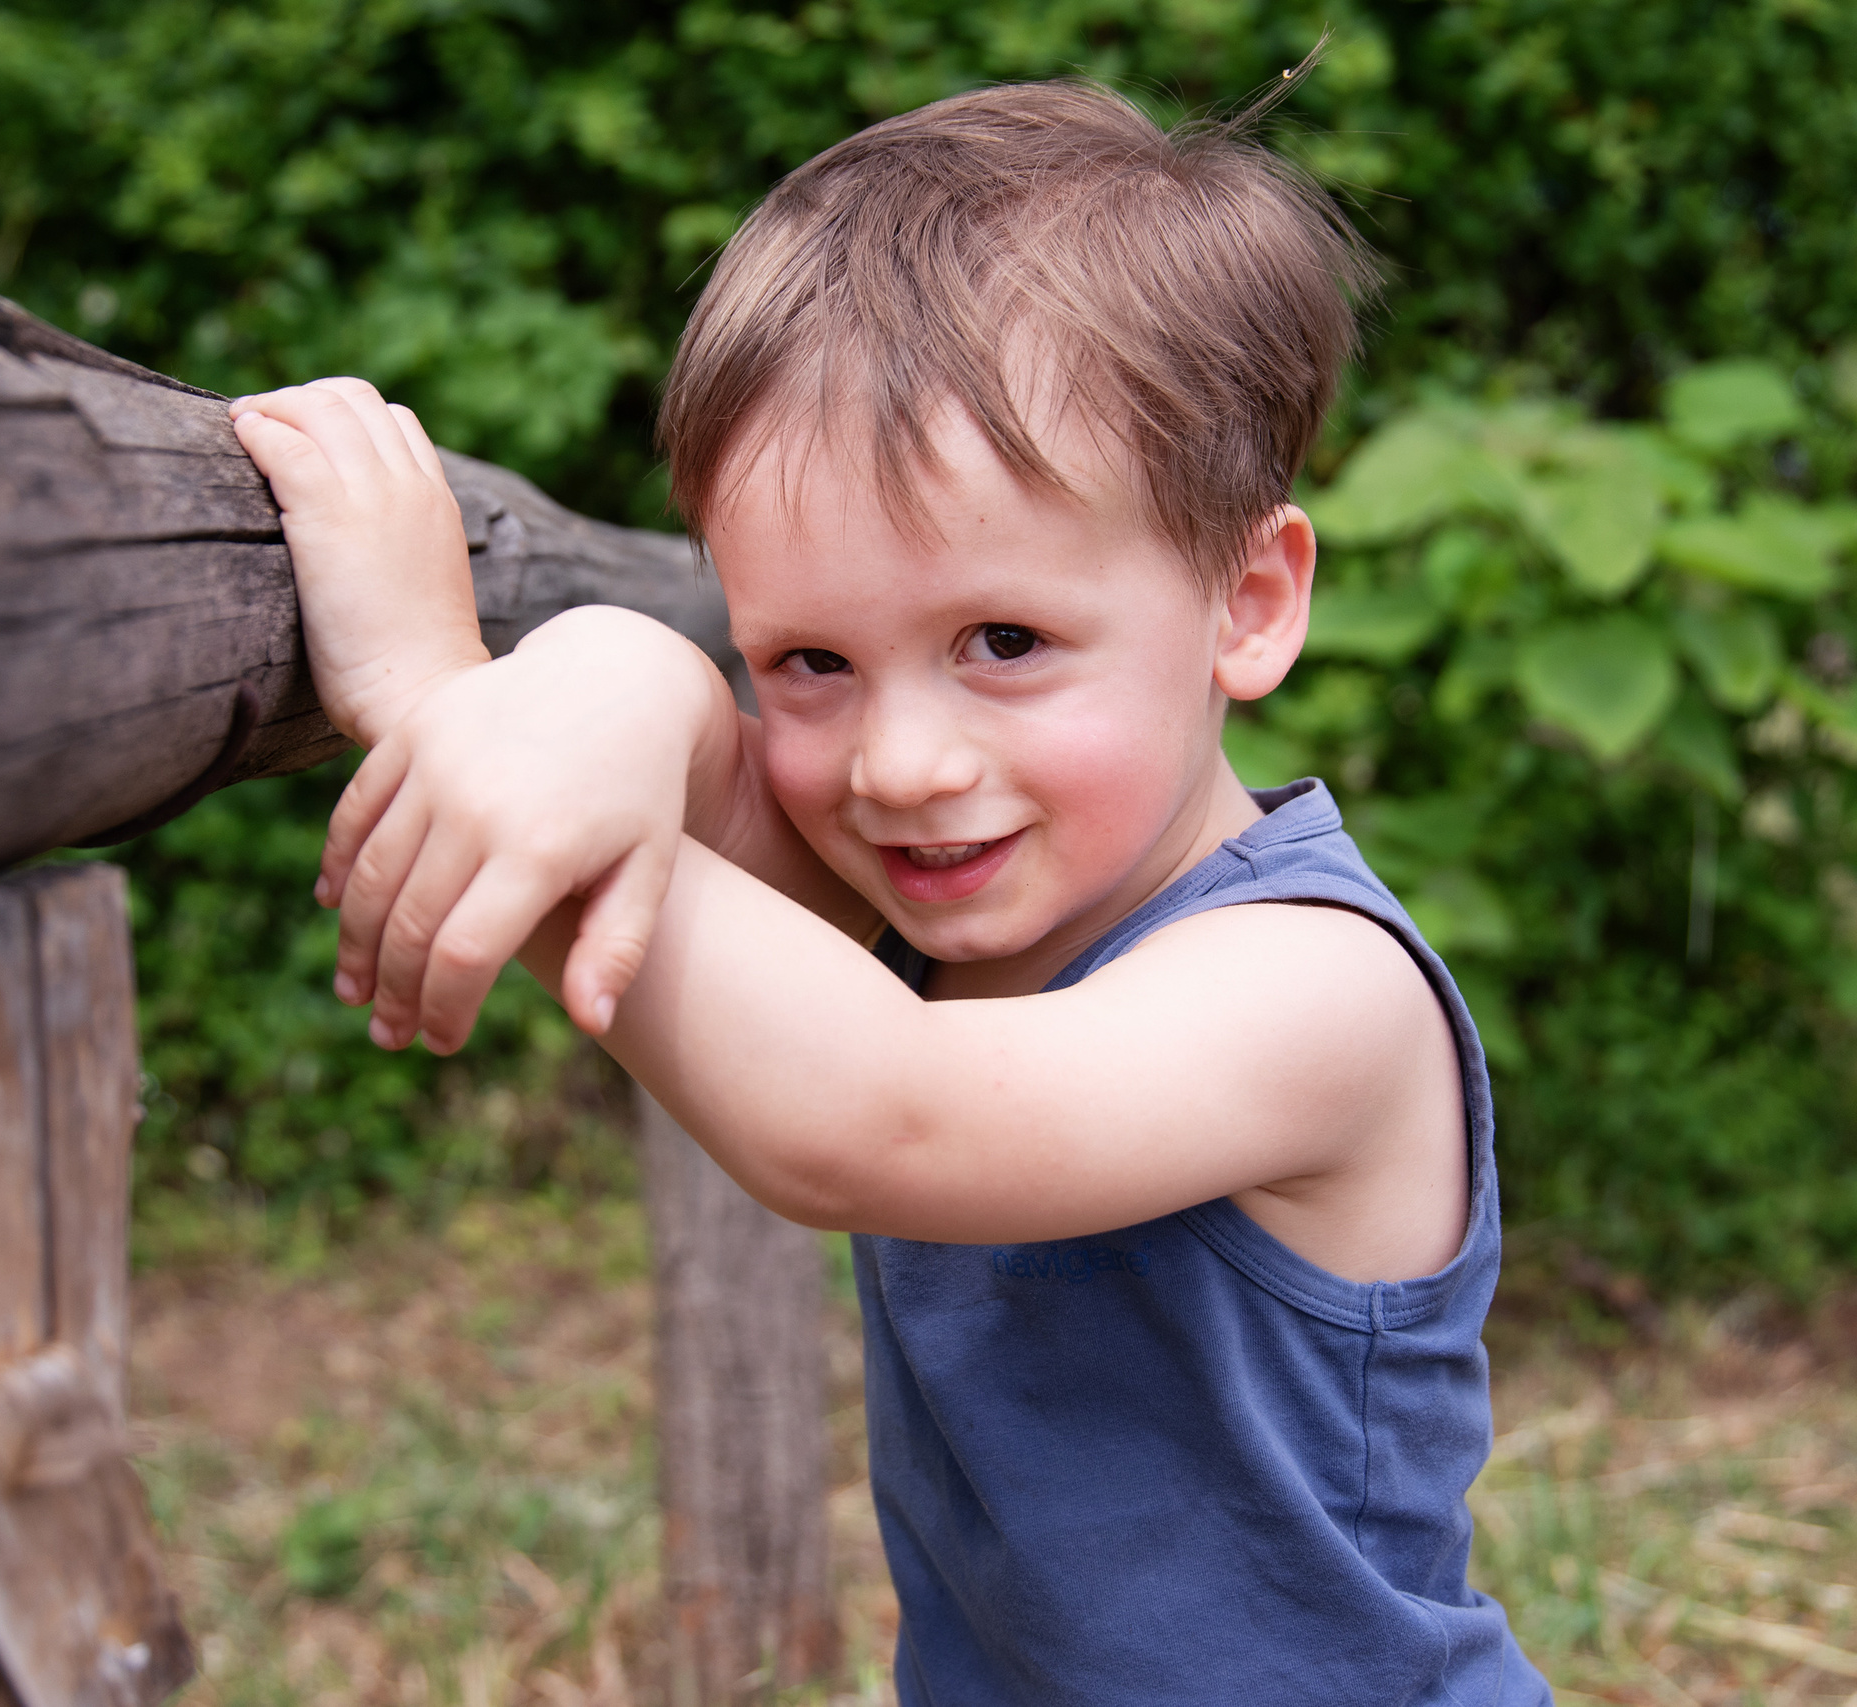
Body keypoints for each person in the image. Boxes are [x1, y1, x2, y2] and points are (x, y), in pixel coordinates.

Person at [226, 70, 1550, 1707]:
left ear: (1248, 601)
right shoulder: (935, 894)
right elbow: (690, 773)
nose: (900, 763)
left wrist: (434, 690)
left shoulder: (1309, 992)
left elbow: (877, 1119)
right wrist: (612, 678)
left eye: (1003, 642)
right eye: (813, 660)